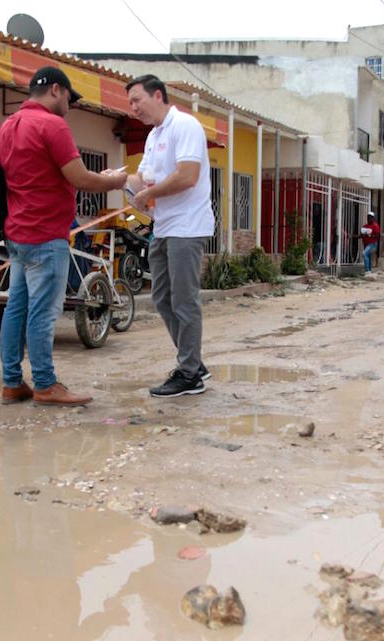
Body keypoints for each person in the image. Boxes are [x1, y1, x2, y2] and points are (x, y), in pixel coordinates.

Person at [0, 66, 126, 406]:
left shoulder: (7, 127)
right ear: (56, 89)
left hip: (18, 233)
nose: (70, 103)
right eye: (69, 96)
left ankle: (12, 383)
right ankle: (45, 384)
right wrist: (115, 181)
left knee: (16, 308)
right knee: (41, 313)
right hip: (46, 234)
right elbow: (79, 178)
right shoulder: (52, 125)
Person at [126, 74, 216, 398]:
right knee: (162, 298)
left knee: (183, 300)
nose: (133, 107)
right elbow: (143, 177)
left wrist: (148, 193)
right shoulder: (153, 137)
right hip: (163, 226)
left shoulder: (185, 126)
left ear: (158, 95)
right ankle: (193, 362)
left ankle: (189, 373)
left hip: (187, 227)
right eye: (130, 103)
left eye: (137, 99)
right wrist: (119, 180)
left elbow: (187, 176)